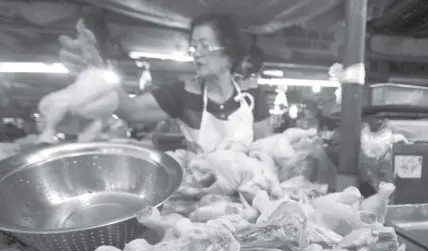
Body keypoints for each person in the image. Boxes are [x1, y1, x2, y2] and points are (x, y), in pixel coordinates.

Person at [59, 13, 273, 152]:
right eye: (193, 46)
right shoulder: (183, 93)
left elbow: (265, 149)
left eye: (204, 46)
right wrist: (96, 69)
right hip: (201, 195)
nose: (196, 54)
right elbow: (130, 111)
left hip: (245, 199)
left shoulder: (252, 95)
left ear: (228, 52)